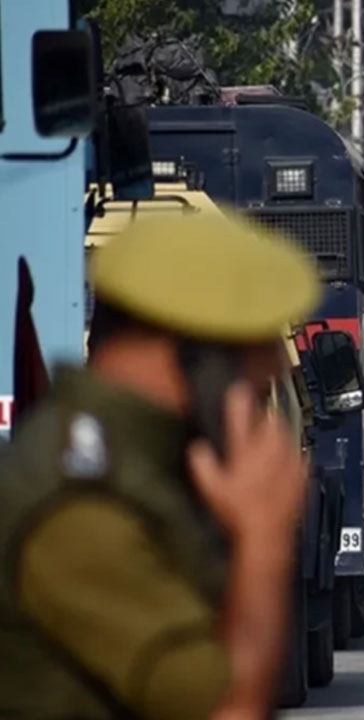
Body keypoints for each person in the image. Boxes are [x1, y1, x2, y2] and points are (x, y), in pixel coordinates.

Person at [0, 212, 319, 719]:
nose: (274, 371)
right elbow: (228, 712)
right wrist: (264, 539)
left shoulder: (142, 466)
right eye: (259, 346)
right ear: (197, 354)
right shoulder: (82, 507)